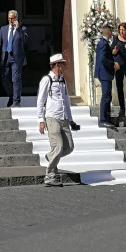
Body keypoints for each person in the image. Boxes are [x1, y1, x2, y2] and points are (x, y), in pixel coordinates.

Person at [36, 53, 78, 186]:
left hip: (63, 118)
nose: (65, 66)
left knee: (69, 147)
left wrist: (70, 119)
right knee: (58, 146)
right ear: (57, 65)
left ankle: (51, 156)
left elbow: (66, 101)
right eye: (63, 64)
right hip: (52, 117)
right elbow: (40, 101)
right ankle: (50, 175)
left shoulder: (63, 80)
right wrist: (41, 120)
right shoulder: (47, 79)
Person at [0, 9, 28, 106]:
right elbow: (0, 44)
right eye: (9, 18)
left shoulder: (22, 29)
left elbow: (25, 40)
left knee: (16, 79)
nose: (10, 20)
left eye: (12, 18)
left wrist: (18, 29)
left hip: (16, 58)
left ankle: (16, 101)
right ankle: (11, 94)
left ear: (16, 18)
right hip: (6, 57)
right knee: (4, 77)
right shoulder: (3, 29)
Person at [94, 23, 116, 128]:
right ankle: (103, 119)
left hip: (105, 74)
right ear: (109, 33)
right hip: (105, 74)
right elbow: (102, 59)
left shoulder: (102, 43)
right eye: (111, 32)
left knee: (108, 96)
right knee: (106, 97)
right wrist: (113, 64)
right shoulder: (103, 43)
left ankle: (107, 118)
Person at [112, 23, 126, 125]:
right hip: (118, 66)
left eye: (123, 30)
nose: (121, 32)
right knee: (119, 87)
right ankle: (122, 108)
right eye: (120, 30)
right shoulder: (116, 39)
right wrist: (115, 50)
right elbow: (112, 52)